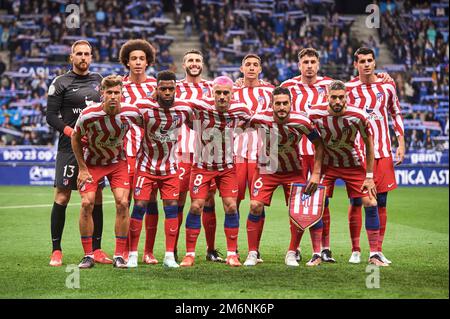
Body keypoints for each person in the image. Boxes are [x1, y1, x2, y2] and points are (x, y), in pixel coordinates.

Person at [242, 86, 325, 267]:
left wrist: (316, 173)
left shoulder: (301, 121)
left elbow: (319, 144)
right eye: (277, 103)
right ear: (271, 105)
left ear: (291, 104)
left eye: (285, 103)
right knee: (255, 205)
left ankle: (292, 252)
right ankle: (252, 253)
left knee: (298, 212)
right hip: (266, 169)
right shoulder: (259, 118)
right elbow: (238, 127)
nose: (281, 107)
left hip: (293, 171)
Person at [309, 80, 388, 267]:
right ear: (327, 97)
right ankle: (319, 252)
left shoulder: (358, 116)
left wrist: (369, 176)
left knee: (370, 201)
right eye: (334, 97)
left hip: (353, 163)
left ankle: (375, 253)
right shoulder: (315, 114)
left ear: (347, 98)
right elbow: (310, 136)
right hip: (327, 164)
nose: (337, 101)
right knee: (317, 202)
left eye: (341, 98)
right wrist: (315, 170)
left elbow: (369, 144)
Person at [46, 40, 110, 267]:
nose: (83, 57)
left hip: (94, 150)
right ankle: (56, 250)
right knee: (62, 196)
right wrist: (71, 131)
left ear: (91, 57)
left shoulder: (99, 81)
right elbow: (51, 116)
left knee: (95, 198)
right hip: (68, 149)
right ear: (71, 57)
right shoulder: (60, 82)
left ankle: (98, 249)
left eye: (87, 54)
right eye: (79, 54)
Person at [179, 76, 252, 267]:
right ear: (212, 93)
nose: (221, 97)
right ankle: (190, 254)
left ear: (232, 94)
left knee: (231, 206)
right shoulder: (201, 105)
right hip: (202, 166)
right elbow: (182, 108)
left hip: (226, 167)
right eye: (218, 92)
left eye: (225, 93)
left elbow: (250, 120)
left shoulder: (241, 109)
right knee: (196, 206)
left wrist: (236, 132)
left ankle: (231, 254)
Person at [71, 75, 142, 268]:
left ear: (122, 94)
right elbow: (75, 139)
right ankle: (88, 255)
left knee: (123, 203)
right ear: (102, 94)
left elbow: (148, 127)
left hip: (117, 162)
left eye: (116, 92)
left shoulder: (132, 112)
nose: (112, 96)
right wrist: (82, 169)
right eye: (109, 92)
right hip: (92, 163)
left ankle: (119, 255)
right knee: (87, 203)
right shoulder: (88, 114)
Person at [127, 71, 193, 268]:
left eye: (170, 89)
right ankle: (132, 255)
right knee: (139, 207)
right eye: (162, 89)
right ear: (156, 89)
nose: (167, 92)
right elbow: (125, 115)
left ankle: (169, 256)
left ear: (176, 89)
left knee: (171, 208)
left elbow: (198, 123)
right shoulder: (144, 108)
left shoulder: (184, 109)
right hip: (145, 165)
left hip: (170, 167)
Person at [346, 47, 405, 265]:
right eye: (362, 61)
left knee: (381, 201)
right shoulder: (349, 88)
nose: (367, 64)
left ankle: (377, 250)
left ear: (375, 62)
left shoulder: (387, 85)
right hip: (358, 153)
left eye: (370, 60)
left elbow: (395, 112)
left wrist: (401, 141)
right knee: (357, 201)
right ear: (356, 64)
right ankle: (355, 249)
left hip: (382, 151)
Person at [280, 47, 334, 263]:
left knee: (323, 200)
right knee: (298, 202)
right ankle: (298, 247)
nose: (309, 65)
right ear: (299, 65)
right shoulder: (288, 86)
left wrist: (384, 75)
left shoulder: (329, 85)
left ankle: (324, 249)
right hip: (297, 153)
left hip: (321, 151)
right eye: (305, 62)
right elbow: (271, 101)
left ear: (318, 64)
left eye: (313, 61)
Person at [175, 50, 221, 262]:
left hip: (207, 153)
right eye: (190, 60)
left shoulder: (212, 88)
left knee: (208, 200)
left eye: (197, 60)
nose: (194, 64)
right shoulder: (175, 88)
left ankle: (211, 250)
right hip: (181, 151)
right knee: (178, 201)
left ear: (203, 64)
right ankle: (172, 250)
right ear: (184, 65)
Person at [119, 39, 160, 264]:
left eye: (141, 59)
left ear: (148, 62)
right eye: (133, 58)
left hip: (151, 155)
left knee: (149, 202)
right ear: (127, 62)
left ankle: (148, 251)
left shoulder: (157, 85)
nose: (137, 62)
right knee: (125, 203)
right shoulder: (119, 87)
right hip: (125, 154)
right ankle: (124, 250)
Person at [233, 54, 274, 262]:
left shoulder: (270, 91)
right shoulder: (233, 91)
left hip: (262, 156)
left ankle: (254, 250)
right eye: (247, 64)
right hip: (237, 155)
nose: (251, 68)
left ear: (260, 69)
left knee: (257, 203)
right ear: (241, 68)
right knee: (234, 202)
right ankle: (234, 249)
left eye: (255, 65)